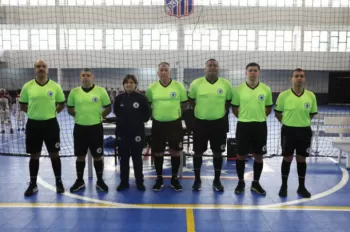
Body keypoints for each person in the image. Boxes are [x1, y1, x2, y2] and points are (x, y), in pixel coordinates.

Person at [19, 59, 65, 196]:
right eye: (38, 66)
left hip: (51, 124)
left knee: (54, 154)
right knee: (34, 155)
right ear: (34, 69)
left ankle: (58, 182)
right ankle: (33, 185)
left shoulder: (55, 86)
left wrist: (51, 113)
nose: (41, 68)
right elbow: (22, 105)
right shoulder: (27, 86)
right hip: (33, 125)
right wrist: (33, 114)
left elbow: (61, 104)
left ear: (47, 69)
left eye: (43, 66)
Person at [188, 59, 232, 192]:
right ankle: (197, 180)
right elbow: (191, 99)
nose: (212, 68)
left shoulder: (226, 84)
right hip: (200, 123)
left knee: (218, 152)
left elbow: (228, 101)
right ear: (205, 68)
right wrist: (200, 110)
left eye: (215, 66)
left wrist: (218, 112)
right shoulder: (196, 83)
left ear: (218, 68)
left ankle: (217, 180)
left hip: (219, 124)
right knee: (198, 152)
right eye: (209, 66)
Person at [275, 68, 317, 198]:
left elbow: (312, 113)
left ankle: (301, 187)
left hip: (304, 131)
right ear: (291, 78)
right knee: (287, 157)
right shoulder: (284, 95)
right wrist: (288, 122)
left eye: (302, 76)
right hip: (288, 131)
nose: (299, 78)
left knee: (301, 158)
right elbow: (277, 113)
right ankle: (284, 186)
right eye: (297, 76)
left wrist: (302, 122)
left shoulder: (311, 95)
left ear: (304, 79)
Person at [231, 62, 273, 195]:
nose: (253, 73)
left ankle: (256, 183)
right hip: (243, 125)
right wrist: (245, 117)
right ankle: (240, 182)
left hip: (260, 126)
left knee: (259, 155)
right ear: (246, 73)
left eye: (255, 70)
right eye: (250, 70)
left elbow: (268, 108)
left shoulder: (266, 89)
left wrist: (258, 117)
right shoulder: (238, 90)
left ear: (259, 73)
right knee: (240, 155)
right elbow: (234, 109)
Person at [146, 62, 188, 191]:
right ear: (158, 73)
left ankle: (174, 179)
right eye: (161, 70)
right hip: (158, 124)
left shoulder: (178, 86)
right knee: (158, 152)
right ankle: (159, 178)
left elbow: (184, 104)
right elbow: (148, 104)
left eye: (166, 70)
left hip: (174, 124)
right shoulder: (151, 88)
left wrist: (175, 115)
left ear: (170, 72)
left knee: (175, 151)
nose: (163, 72)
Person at [67, 68, 111, 192]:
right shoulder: (74, 92)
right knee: (80, 156)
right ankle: (80, 181)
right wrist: (78, 115)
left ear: (93, 77)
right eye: (83, 75)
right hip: (79, 128)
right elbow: (69, 109)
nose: (85, 77)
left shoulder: (101, 91)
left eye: (88, 75)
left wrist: (100, 116)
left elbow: (108, 107)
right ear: (80, 77)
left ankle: (100, 181)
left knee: (98, 156)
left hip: (96, 128)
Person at [114, 74, 150, 191]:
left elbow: (146, 115)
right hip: (122, 133)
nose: (129, 84)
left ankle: (140, 182)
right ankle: (124, 182)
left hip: (137, 133)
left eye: (131, 82)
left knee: (137, 159)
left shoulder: (141, 98)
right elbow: (117, 113)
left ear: (135, 84)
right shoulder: (119, 99)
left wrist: (136, 120)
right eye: (127, 82)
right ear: (123, 85)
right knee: (123, 159)